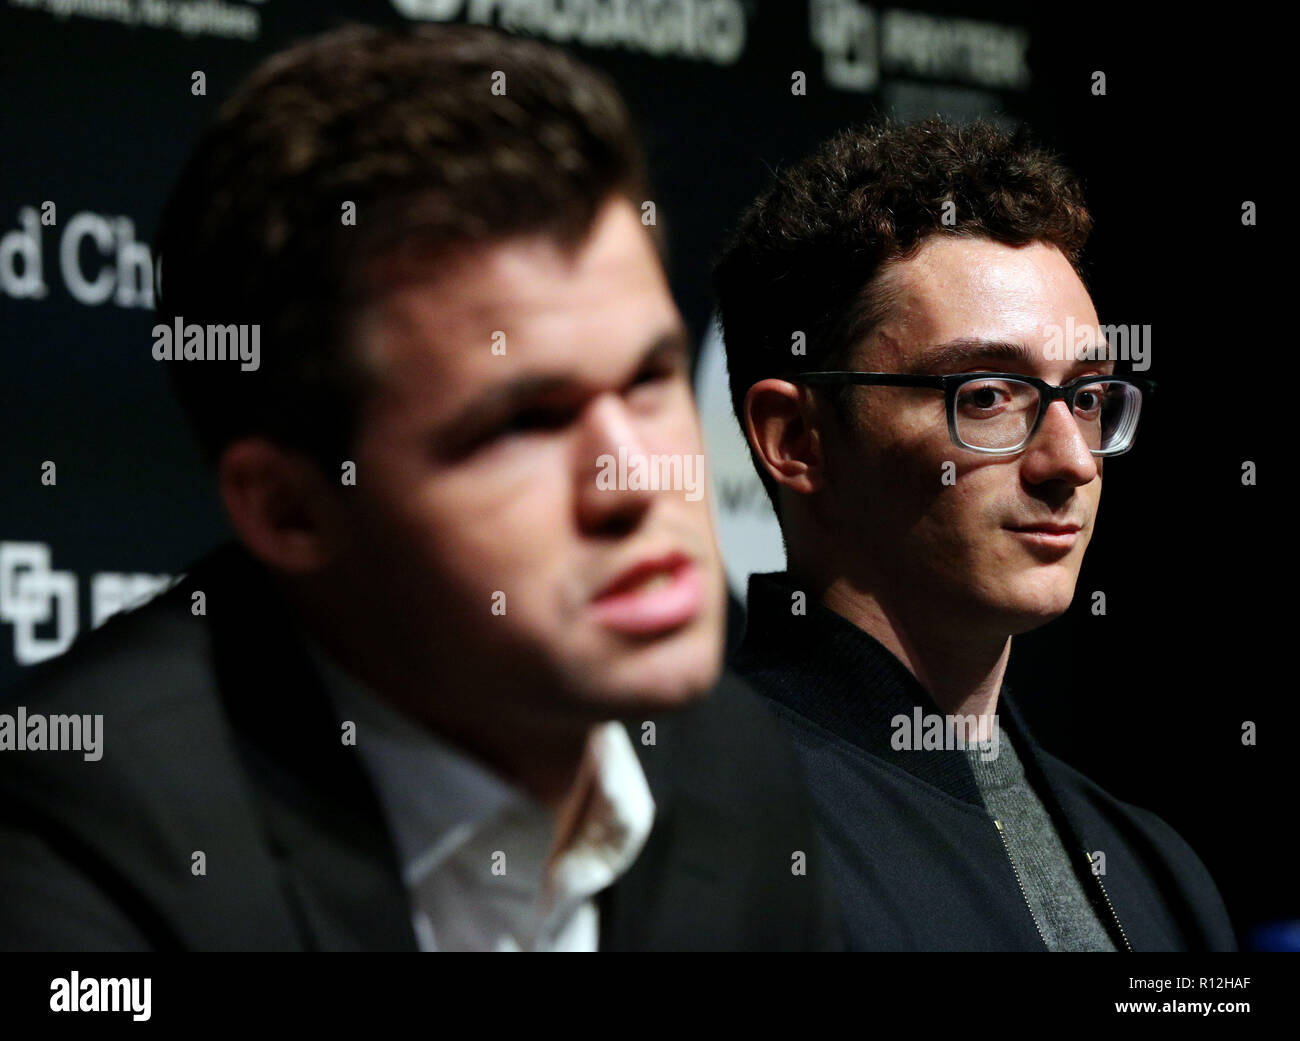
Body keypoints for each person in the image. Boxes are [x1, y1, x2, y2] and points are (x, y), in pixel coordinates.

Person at [0, 24, 840, 952]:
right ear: (289, 509)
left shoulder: (732, 762)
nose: (638, 479)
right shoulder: (86, 836)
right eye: (524, 424)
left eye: (648, 380)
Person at [712, 117, 1235, 951]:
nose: (1072, 460)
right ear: (797, 440)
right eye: (989, 394)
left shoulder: (1157, 871)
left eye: (1089, 396)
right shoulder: (699, 831)